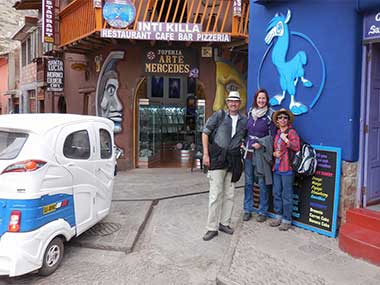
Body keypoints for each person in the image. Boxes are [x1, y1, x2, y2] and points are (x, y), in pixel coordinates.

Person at [202, 91, 247, 241]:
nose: (233, 104)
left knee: (229, 194)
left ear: (239, 103)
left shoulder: (244, 120)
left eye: (236, 101)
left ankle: (224, 223)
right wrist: (205, 154)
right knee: (215, 195)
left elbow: (247, 137)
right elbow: (205, 133)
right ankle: (211, 228)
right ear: (227, 102)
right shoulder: (219, 115)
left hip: (233, 159)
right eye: (231, 101)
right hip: (217, 158)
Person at [242, 89, 277, 222]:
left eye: (263, 98)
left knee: (262, 183)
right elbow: (246, 130)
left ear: (266, 100)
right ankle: (247, 209)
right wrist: (243, 142)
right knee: (248, 182)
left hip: (261, 154)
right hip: (249, 152)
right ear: (255, 99)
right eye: (259, 98)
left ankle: (263, 211)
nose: (261, 100)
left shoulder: (270, 115)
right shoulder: (251, 112)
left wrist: (261, 143)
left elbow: (273, 136)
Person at [270, 108, 300, 231]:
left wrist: (286, 139)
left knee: (286, 194)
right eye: (280, 117)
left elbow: (296, 147)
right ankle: (278, 216)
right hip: (277, 167)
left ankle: (287, 220)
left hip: (287, 167)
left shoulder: (291, 132)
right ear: (277, 120)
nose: (282, 119)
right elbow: (276, 149)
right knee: (276, 192)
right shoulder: (277, 133)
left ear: (288, 120)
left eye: (285, 117)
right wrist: (274, 154)